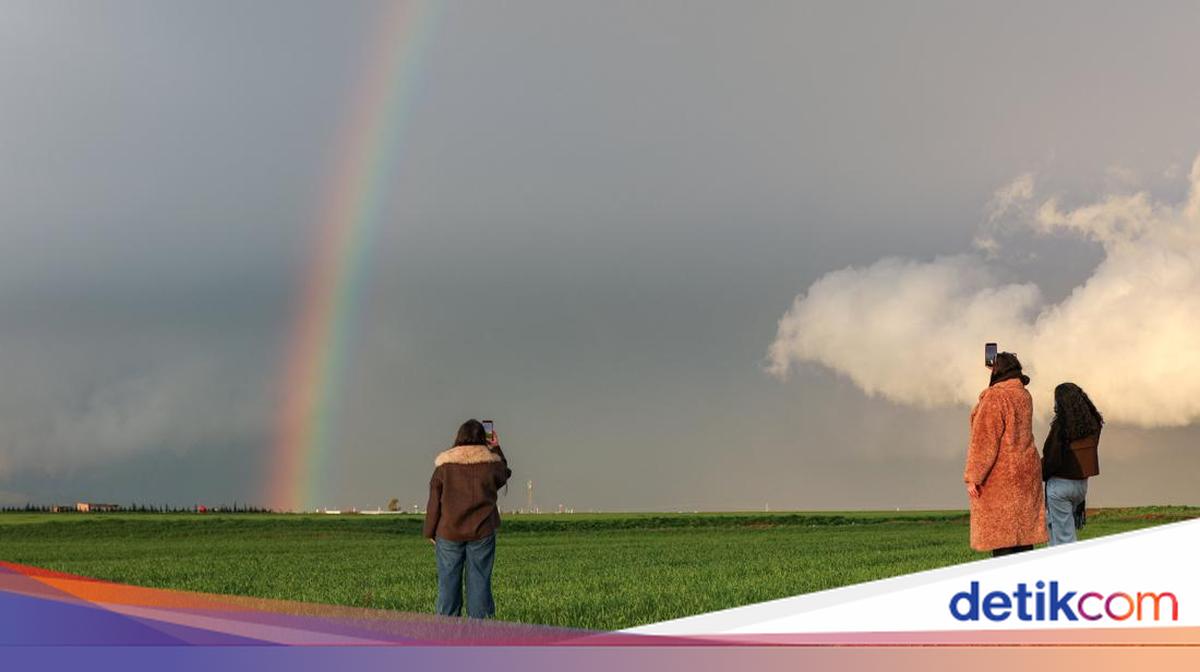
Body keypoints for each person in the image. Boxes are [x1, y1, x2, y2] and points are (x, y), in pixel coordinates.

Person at [423, 419, 512, 618]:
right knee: (480, 582)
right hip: (482, 532)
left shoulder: (444, 467)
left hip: (448, 533)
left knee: (448, 583)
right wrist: (496, 447)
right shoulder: (490, 465)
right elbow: (504, 473)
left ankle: (447, 633)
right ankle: (480, 633)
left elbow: (434, 501)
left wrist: (430, 530)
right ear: (484, 438)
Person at [964, 352, 1048, 557]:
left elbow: (984, 440)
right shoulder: (1023, 394)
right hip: (1026, 474)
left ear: (996, 371)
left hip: (1002, 479)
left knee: (1004, 541)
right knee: (1022, 539)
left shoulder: (996, 397)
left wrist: (973, 476)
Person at [1042, 383, 1102, 546]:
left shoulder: (1061, 426)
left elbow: (1052, 459)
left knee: (1061, 539)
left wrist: (1038, 472)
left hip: (1059, 487)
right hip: (1081, 486)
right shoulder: (1094, 425)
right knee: (1063, 537)